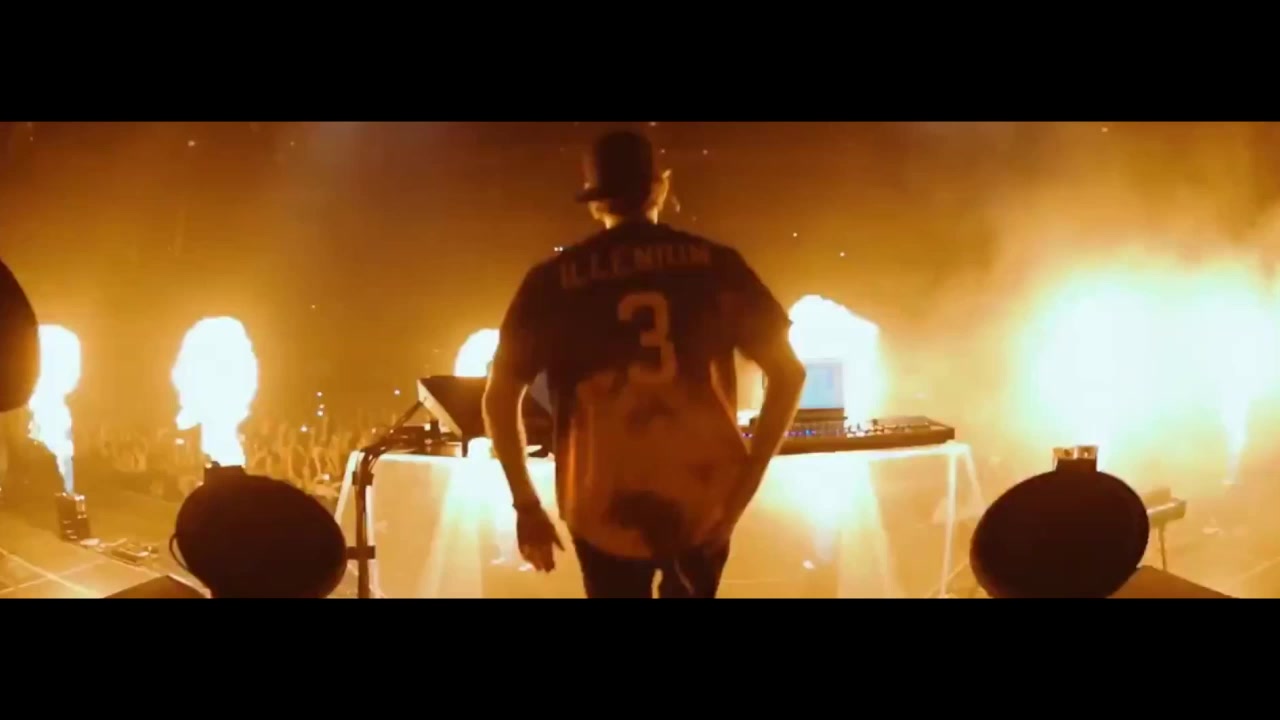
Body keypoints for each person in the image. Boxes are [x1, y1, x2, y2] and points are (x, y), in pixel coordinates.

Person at [483, 129, 806, 598]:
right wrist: (744, 484)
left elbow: (498, 398)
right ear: (661, 186)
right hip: (702, 500)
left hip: (600, 504)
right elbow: (789, 374)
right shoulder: (717, 266)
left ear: (595, 202)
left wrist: (526, 506)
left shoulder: (550, 283)